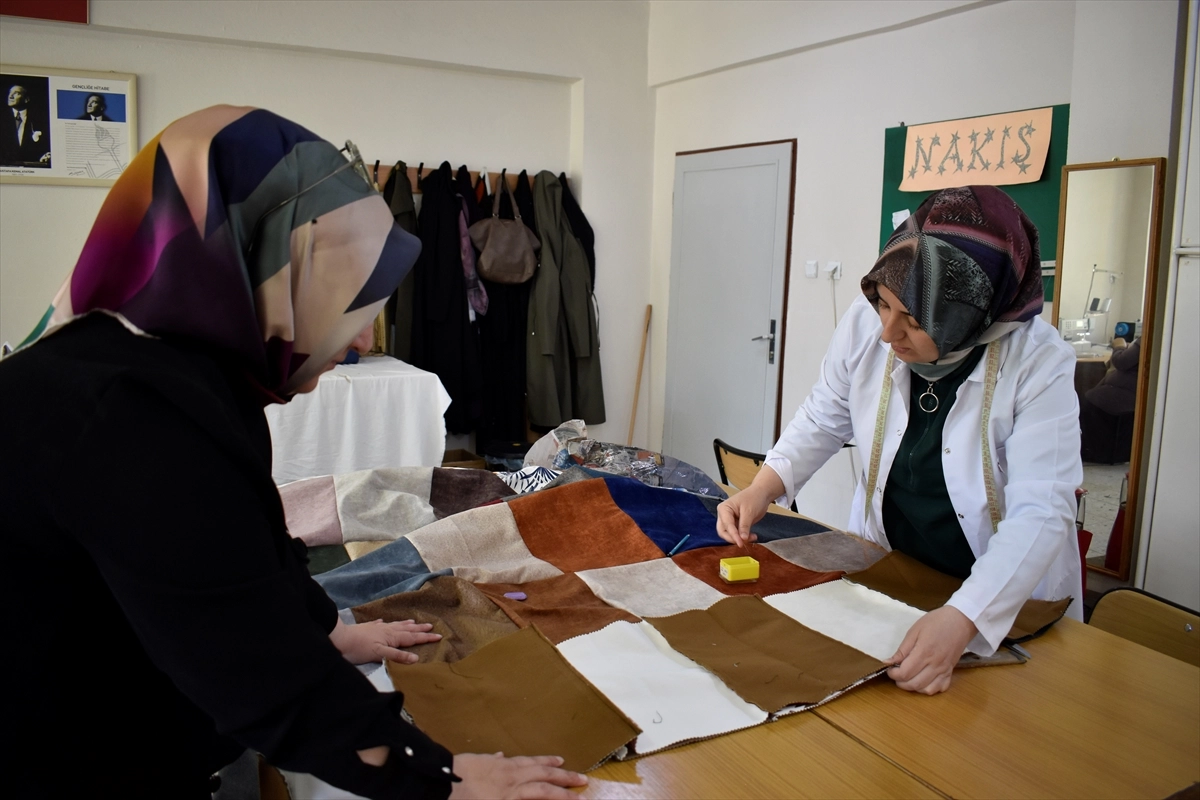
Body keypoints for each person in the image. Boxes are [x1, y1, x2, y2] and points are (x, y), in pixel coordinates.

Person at [0, 106, 585, 800]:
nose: (362, 340)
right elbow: (244, 660)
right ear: (254, 270)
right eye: (339, 299)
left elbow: (243, 548)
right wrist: (439, 778)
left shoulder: (174, 377)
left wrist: (326, 631)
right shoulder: (133, 414)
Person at [716, 185, 1083, 696]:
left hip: (1000, 596)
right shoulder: (869, 321)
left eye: (913, 320)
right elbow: (825, 414)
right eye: (884, 305)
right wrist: (764, 487)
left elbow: (1041, 511)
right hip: (897, 570)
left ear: (969, 314)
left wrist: (966, 616)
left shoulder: (1039, 363)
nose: (888, 333)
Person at [1079, 337, 1140, 463]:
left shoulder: (1147, 339)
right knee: (1090, 398)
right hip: (1127, 393)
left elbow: (1121, 361)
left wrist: (1119, 346)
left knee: (1088, 401)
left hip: (1124, 395)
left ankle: (1095, 452)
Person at [3, 83, 51, 166]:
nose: (10, 96)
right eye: (10, 92)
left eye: (16, 93)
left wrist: (46, 155)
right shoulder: (3, 118)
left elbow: (45, 147)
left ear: (26, 99)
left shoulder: (41, 120)